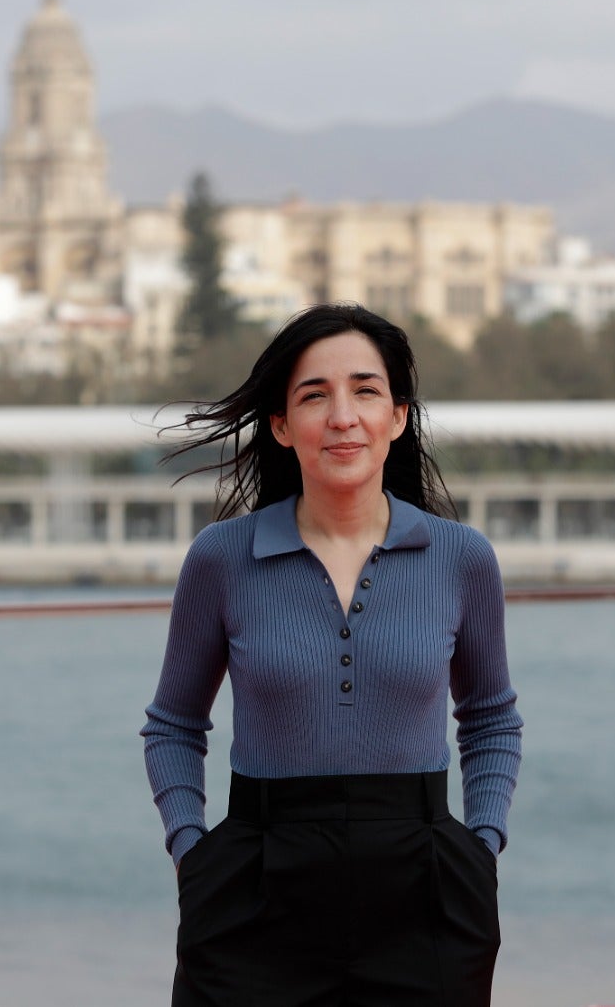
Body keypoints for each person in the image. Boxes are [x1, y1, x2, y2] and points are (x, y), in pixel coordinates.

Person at [141, 303, 524, 1006]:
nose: (342, 416)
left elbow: (492, 717)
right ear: (282, 426)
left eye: (365, 390)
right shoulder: (222, 559)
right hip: (254, 887)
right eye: (315, 395)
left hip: (426, 893)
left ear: (399, 416)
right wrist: (192, 855)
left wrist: (483, 845)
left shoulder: (462, 558)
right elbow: (172, 724)